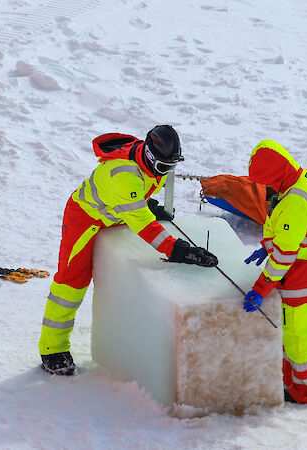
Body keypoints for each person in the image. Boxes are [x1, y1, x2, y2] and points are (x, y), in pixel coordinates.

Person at [38, 125, 218, 376]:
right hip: (86, 218)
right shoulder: (122, 175)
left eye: (172, 167)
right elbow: (145, 227)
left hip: (117, 213)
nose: (167, 173)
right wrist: (178, 250)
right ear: (151, 157)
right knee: (71, 283)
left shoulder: (146, 157)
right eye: (164, 168)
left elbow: (140, 195)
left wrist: (146, 204)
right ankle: (52, 349)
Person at [242, 139, 307, 404]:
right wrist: (266, 246)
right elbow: (293, 233)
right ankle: (293, 382)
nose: (267, 187)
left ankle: (305, 392)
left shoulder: (295, 201)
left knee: (298, 338)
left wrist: (260, 290)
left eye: (266, 181)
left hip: (301, 282)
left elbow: (284, 256)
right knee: (296, 334)